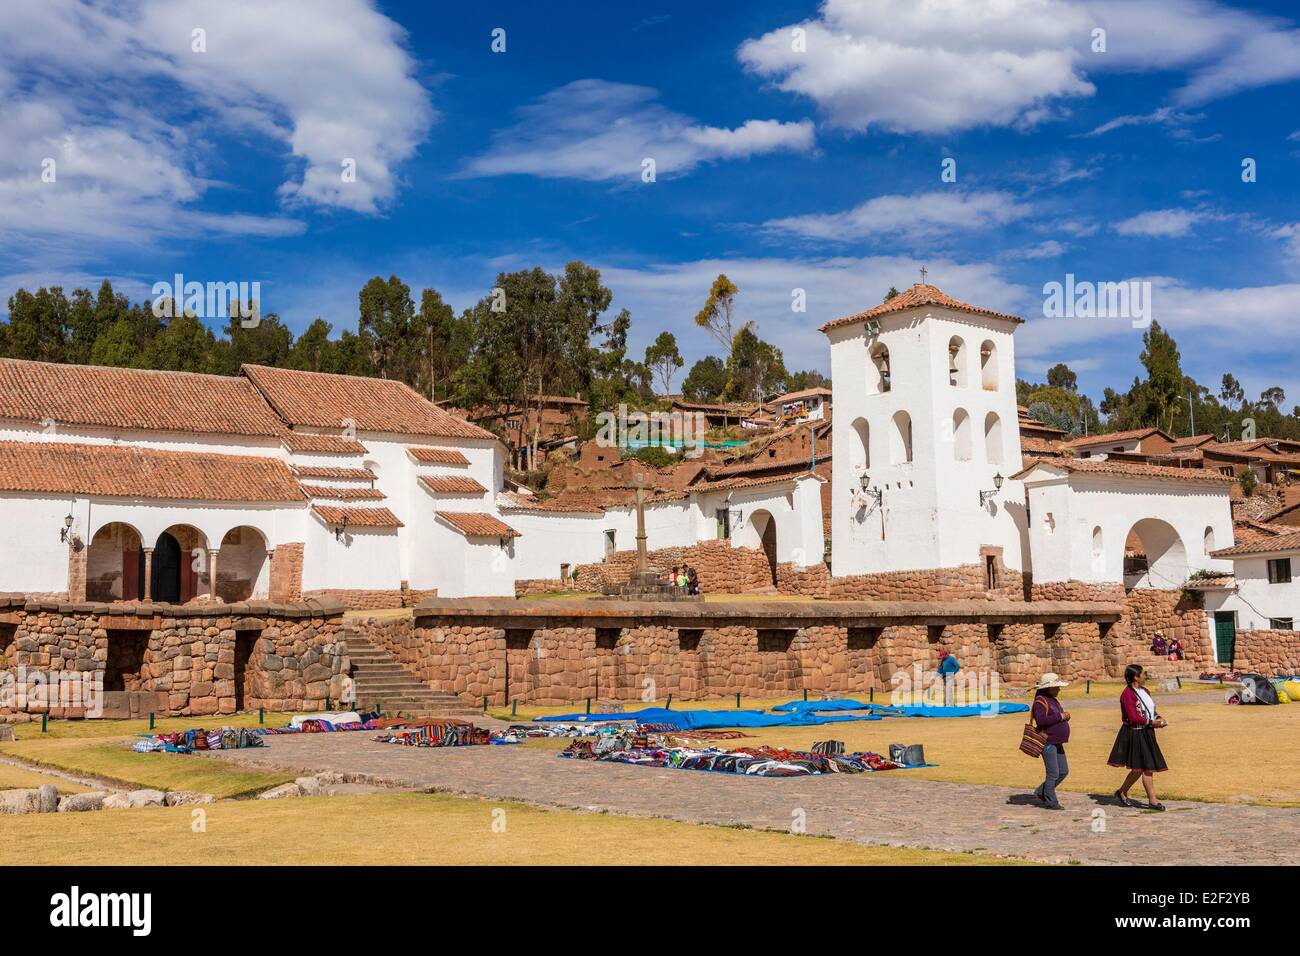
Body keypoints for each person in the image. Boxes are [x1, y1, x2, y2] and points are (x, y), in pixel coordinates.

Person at [1109, 663, 1169, 810]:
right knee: (1146, 767)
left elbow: (1150, 710)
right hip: (1135, 733)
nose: (1145, 676)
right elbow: (1133, 717)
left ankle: (1122, 791)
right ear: (1136, 677)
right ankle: (1152, 800)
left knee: (1138, 768)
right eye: (1143, 674)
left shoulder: (1145, 691)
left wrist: (1158, 718)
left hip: (1147, 732)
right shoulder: (1127, 695)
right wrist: (1152, 722)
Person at [1030, 673, 1071, 810]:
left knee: (1063, 771)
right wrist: (1060, 716)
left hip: (1057, 741)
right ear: (1049, 688)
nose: (1059, 689)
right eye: (1056, 687)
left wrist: (1064, 717)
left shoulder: (1052, 700)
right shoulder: (1040, 702)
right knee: (1053, 773)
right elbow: (1041, 720)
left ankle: (1042, 791)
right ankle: (1051, 801)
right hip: (1048, 742)